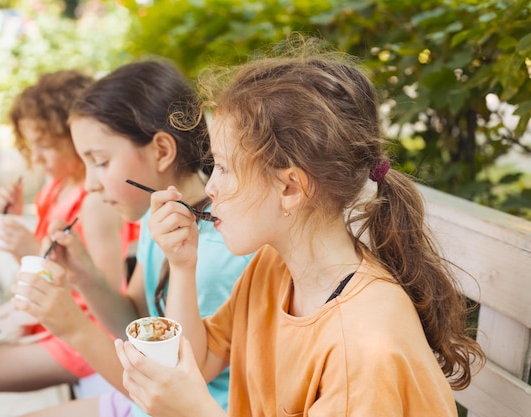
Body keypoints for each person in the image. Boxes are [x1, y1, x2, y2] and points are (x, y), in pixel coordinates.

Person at [114, 40, 486, 416]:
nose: (210, 188)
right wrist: (181, 264)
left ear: (290, 188)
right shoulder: (272, 267)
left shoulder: (362, 347)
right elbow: (200, 358)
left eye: (224, 168)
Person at [11, 59, 253, 417]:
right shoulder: (161, 218)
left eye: (100, 162)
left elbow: (169, 394)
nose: (91, 183)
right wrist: (84, 275)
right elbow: (136, 316)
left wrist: (73, 328)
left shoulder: (218, 253)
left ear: (161, 151)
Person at [0, 70, 132, 417]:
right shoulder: (56, 186)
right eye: (32, 146)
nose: (38, 158)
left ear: (75, 137)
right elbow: (45, 267)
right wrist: (16, 226)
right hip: (54, 320)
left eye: (45, 146)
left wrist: (31, 250)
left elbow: (106, 300)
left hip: (82, 331)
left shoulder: (94, 203)